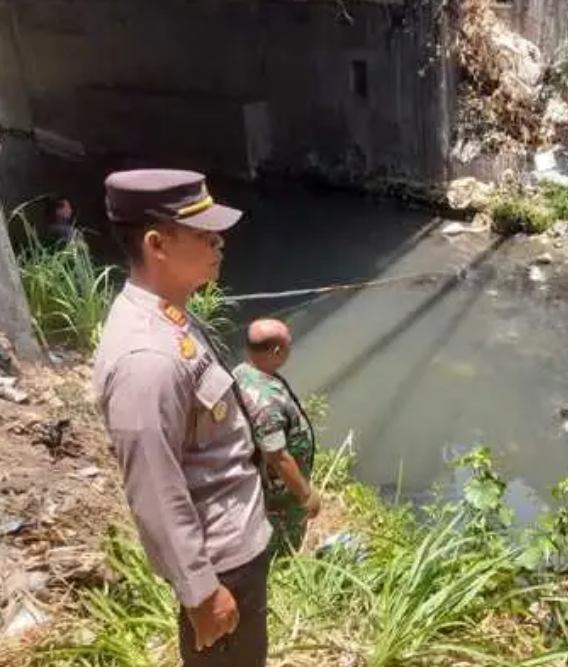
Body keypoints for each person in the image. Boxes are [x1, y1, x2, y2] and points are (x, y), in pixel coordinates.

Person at [93, 169, 271, 667]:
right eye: (203, 234)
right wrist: (200, 593)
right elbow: (155, 486)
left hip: (235, 546)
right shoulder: (147, 357)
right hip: (220, 567)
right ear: (157, 244)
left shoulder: (170, 314)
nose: (219, 243)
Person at [234, 319, 321, 558]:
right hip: (281, 491)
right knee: (285, 536)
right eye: (288, 346)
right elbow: (277, 456)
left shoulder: (243, 372)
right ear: (276, 351)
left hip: (264, 482)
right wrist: (305, 495)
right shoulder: (265, 402)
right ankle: (281, 562)